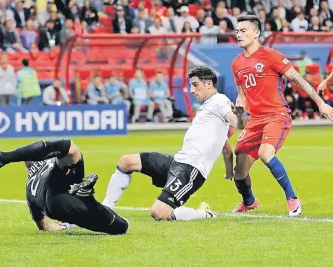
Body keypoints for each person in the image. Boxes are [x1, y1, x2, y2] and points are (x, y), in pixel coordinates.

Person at [102, 67, 245, 221]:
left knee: (158, 213)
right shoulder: (208, 107)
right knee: (127, 161)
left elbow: (235, 121)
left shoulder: (219, 101)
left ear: (209, 84)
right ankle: (105, 209)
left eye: (195, 84)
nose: (191, 90)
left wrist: (239, 116)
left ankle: (204, 214)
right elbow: (225, 145)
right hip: (177, 162)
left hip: (190, 171)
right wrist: (230, 170)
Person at [231, 14, 333, 216]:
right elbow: (241, 94)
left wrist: (321, 103)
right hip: (255, 121)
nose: (238, 35)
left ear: (256, 33)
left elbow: (298, 80)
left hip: (277, 116)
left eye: (243, 31)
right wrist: (239, 106)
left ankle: (293, 198)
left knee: (265, 153)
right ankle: (249, 201)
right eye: (237, 31)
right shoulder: (236, 64)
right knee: (239, 172)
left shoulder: (271, 55)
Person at [0, 139, 128, 235]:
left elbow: (45, 226)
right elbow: (56, 151)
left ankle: (87, 197)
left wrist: (66, 226)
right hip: (62, 187)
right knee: (121, 226)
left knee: (105, 220)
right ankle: (3, 158)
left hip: (57, 206)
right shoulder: (49, 162)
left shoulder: (29, 187)